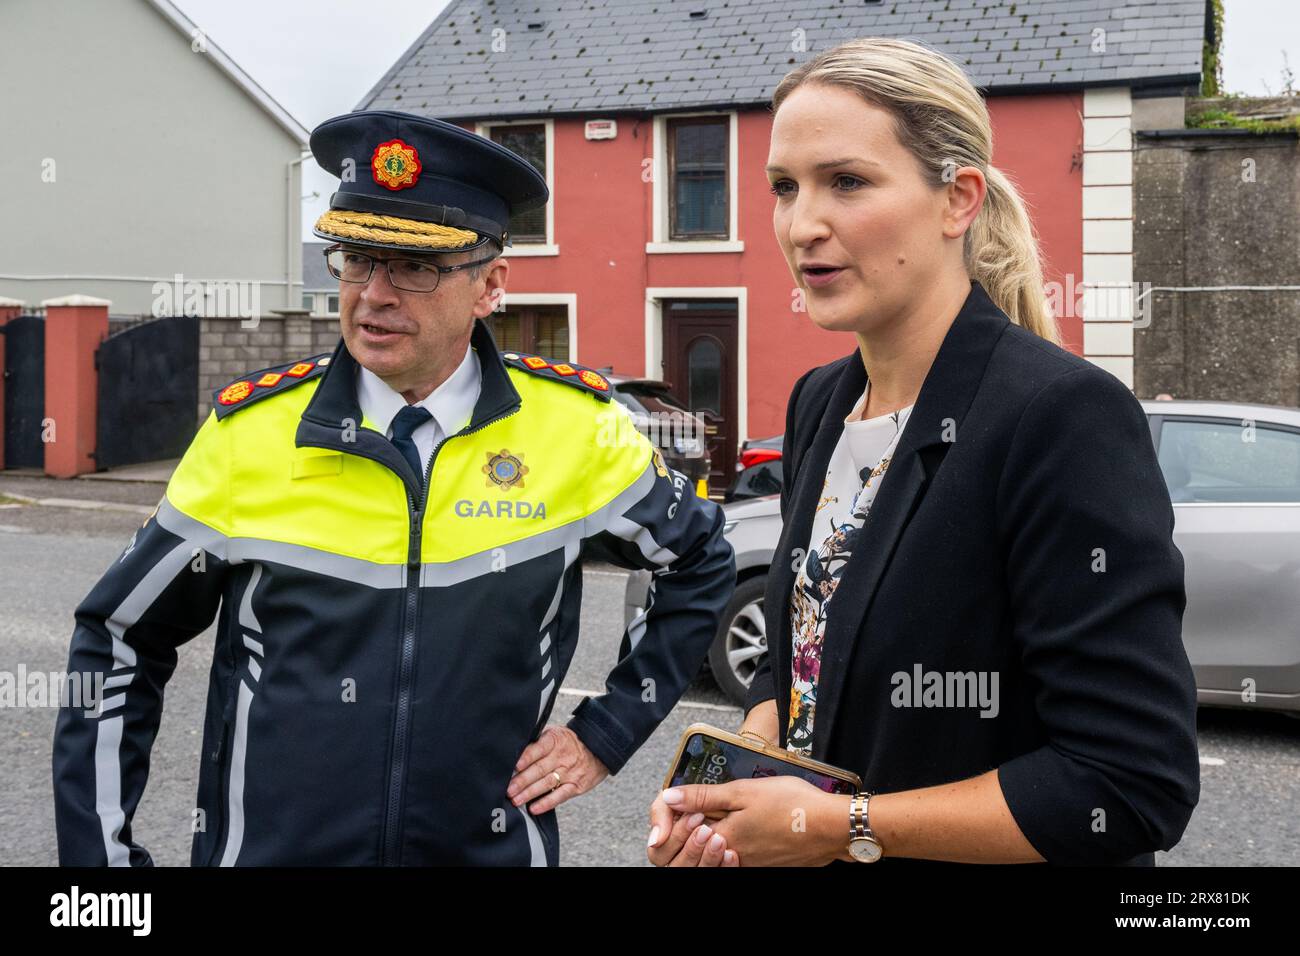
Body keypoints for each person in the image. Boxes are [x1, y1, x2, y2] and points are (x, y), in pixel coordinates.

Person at [52, 110, 734, 866]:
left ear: (490, 286)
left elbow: (700, 562)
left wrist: (603, 734)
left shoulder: (577, 431)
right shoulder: (248, 435)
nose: (374, 294)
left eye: (414, 266)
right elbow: (119, 640)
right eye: (357, 259)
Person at [647, 38, 1199, 867]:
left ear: (958, 200)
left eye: (848, 182)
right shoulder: (819, 403)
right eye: (784, 188)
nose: (803, 224)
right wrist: (744, 780)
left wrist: (830, 827)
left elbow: (1128, 784)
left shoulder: (1061, 416)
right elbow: (807, 651)